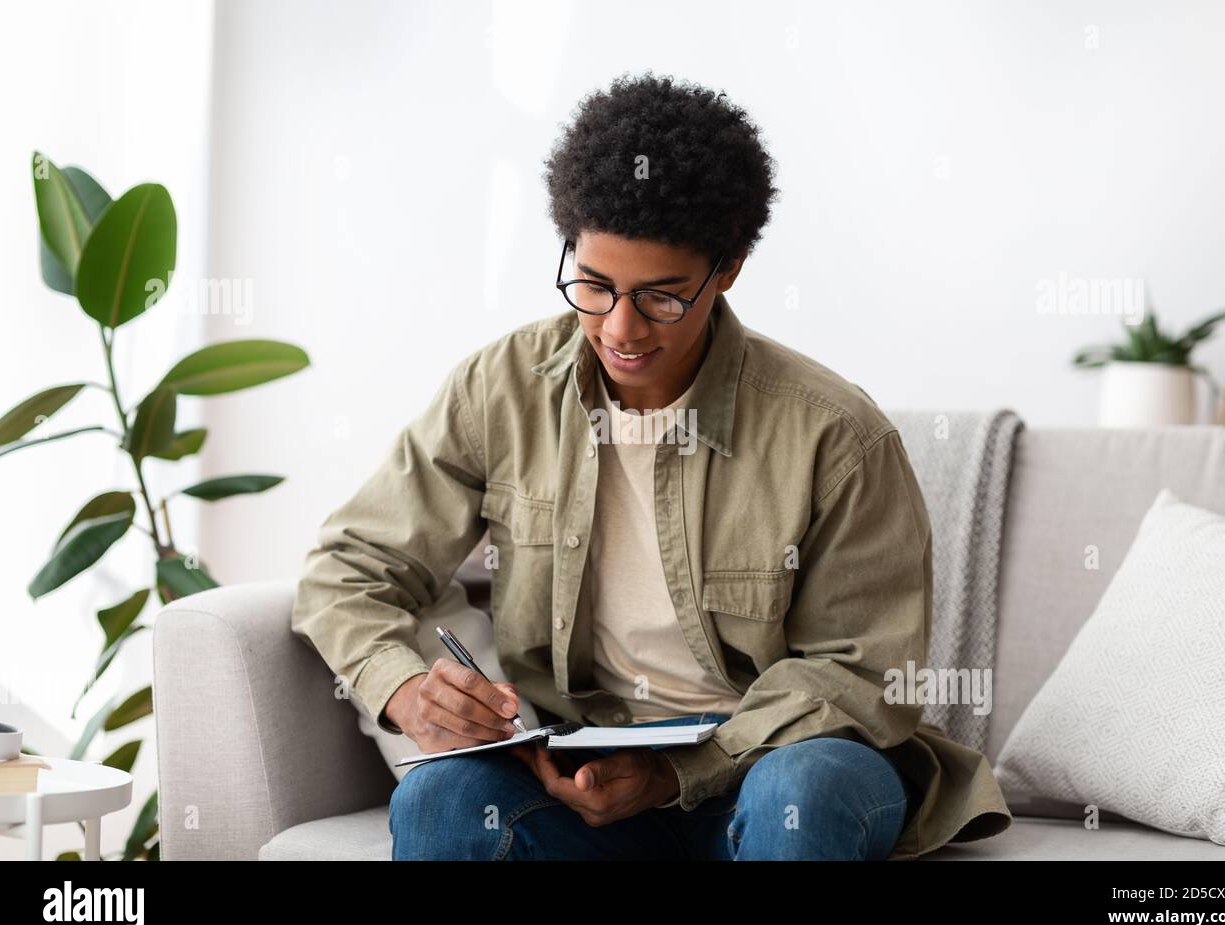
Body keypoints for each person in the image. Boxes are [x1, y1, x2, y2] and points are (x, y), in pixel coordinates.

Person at [291, 71, 1011, 860]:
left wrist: (677, 771)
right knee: (440, 797)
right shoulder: (500, 390)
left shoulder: (836, 434)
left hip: (778, 769)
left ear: (727, 266)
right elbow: (348, 565)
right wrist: (401, 687)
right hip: (585, 779)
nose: (620, 327)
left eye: (660, 296)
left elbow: (861, 676)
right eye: (593, 286)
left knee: (800, 790)